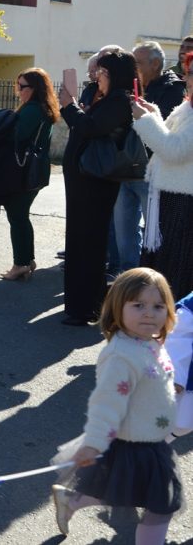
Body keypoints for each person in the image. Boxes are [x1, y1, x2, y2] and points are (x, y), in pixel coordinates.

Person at [50, 268, 181, 543]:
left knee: (126, 491)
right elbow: (106, 405)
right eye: (138, 305)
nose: (149, 313)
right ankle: (72, 500)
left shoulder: (147, 341)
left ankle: (71, 500)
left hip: (150, 440)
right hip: (135, 445)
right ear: (118, 307)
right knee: (159, 508)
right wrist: (94, 443)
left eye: (158, 306)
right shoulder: (121, 356)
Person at [58, 51, 137, 326]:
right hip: (86, 182)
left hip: (95, 184)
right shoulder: (108, 99)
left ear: (113, 74)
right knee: (82, 242)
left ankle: (85, 308)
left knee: (88, 244)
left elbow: (91, 128)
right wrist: (75, 109)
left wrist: (70, 107)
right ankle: (86, 305)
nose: (97, 78)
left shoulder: (119, 101)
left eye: (101, 73)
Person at [111, 42, 186, 274]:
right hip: (128, 169)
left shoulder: (175, 91)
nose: (134, 69)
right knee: (125, 232)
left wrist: (146, 117)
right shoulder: (133, 88)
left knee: (155, 234)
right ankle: (129, 280)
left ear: (155, 64)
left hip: (153, 175)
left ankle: (152, 281)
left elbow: (170, 141)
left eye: (138, 63)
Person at [131, 51, 193, 299]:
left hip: (184, 202)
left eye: (192, 74)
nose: (187, 78)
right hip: (172, 196)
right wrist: (153, 114)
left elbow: (174, 150)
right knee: (165, 265)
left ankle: (170, 316)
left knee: (176, 268)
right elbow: (171, 137)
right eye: (188, 72)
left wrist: (145, 120)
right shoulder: (188, 105)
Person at [0, 68, 58, 281]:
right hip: (34, 168)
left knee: (17, 214)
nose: (18, 90)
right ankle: (27, 260)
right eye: (18, 85)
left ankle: (21, 264)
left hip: (26, 169)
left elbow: (17, 135)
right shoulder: (41, 107)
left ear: (34, 88)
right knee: (20, 214)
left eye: (22, 86)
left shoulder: (33, 109)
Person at [165, 290, 193, 443]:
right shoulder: (190, 307)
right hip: (186, 377)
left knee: (185, 424)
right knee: (179, 421)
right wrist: (176, 377)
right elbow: (177, 338)